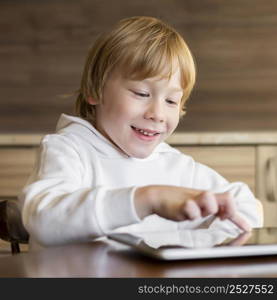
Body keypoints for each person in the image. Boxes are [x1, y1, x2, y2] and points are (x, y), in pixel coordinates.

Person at [19, 16, 263, 248]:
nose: (157, 113)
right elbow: (42, 218)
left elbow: (246, 207)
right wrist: (148, 199)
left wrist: (194, 243)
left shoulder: (176, 167)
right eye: (142, 94)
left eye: (171, 101)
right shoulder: (69, 150)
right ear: (96, 91)